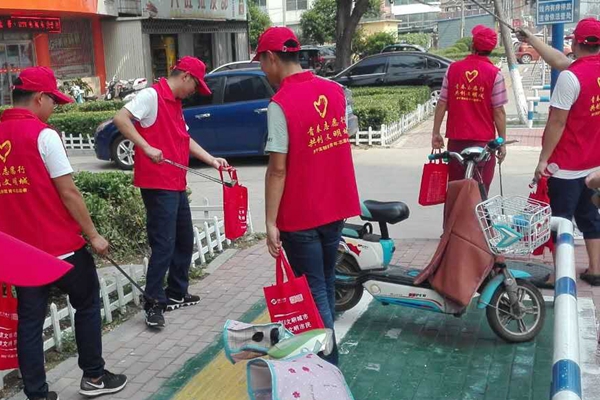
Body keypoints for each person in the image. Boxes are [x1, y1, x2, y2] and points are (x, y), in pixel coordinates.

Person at [0, 67, 127, 400]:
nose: (54, 107)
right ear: (39, 98)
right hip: (61, 248)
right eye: (53, 100)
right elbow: (69, 192)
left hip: (20, 255)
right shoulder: (44, 135)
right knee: (86, 303)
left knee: (29, 322)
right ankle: (94, 378)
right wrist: (94, 235)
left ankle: (37, 393)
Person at [256, 27, 360, 365]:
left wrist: (270, 221)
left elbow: (277, 170)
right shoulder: (334, 91)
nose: (262, 70)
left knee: (313, 292)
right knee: (325, 284)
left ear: (272, 58)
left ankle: (329, 368)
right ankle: (326, 360)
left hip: (301, 216)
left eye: (261, 62)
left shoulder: (280, 104)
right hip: (334, 207)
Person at [113, 57, 228, 328]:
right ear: (185, 76)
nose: (194, 92)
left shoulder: (175, 104)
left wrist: (211, 159)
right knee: (163, 244)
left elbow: (184, 140)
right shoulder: (151, 96)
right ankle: (153, 302)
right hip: (157, 185)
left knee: (184, 239)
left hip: (175, 183)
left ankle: (177, 292)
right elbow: (120, 118)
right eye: (195, 86)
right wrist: (145, 146)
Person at [530, 18, 600, 286]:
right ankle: (595, 270)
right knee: (590, 216)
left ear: (574, 42)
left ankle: (560, 275)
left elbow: (557, 122)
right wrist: (532, 39)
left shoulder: (571, 77)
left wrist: (543, 160)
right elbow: (559, 60)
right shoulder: (585, 70)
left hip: (566, 166)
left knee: (560, 220)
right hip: (594, 166)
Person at [432, 25, 508, 193]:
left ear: (473, 46)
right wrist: (502, 142)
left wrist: (435, 132)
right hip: (484, 144)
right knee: (480, 192)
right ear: (492, 49)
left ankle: (453, 220)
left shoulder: (453, 69)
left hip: (456, 141)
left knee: (455, 191)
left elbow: (442, 102)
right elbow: (499, 112)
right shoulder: (495, 74)